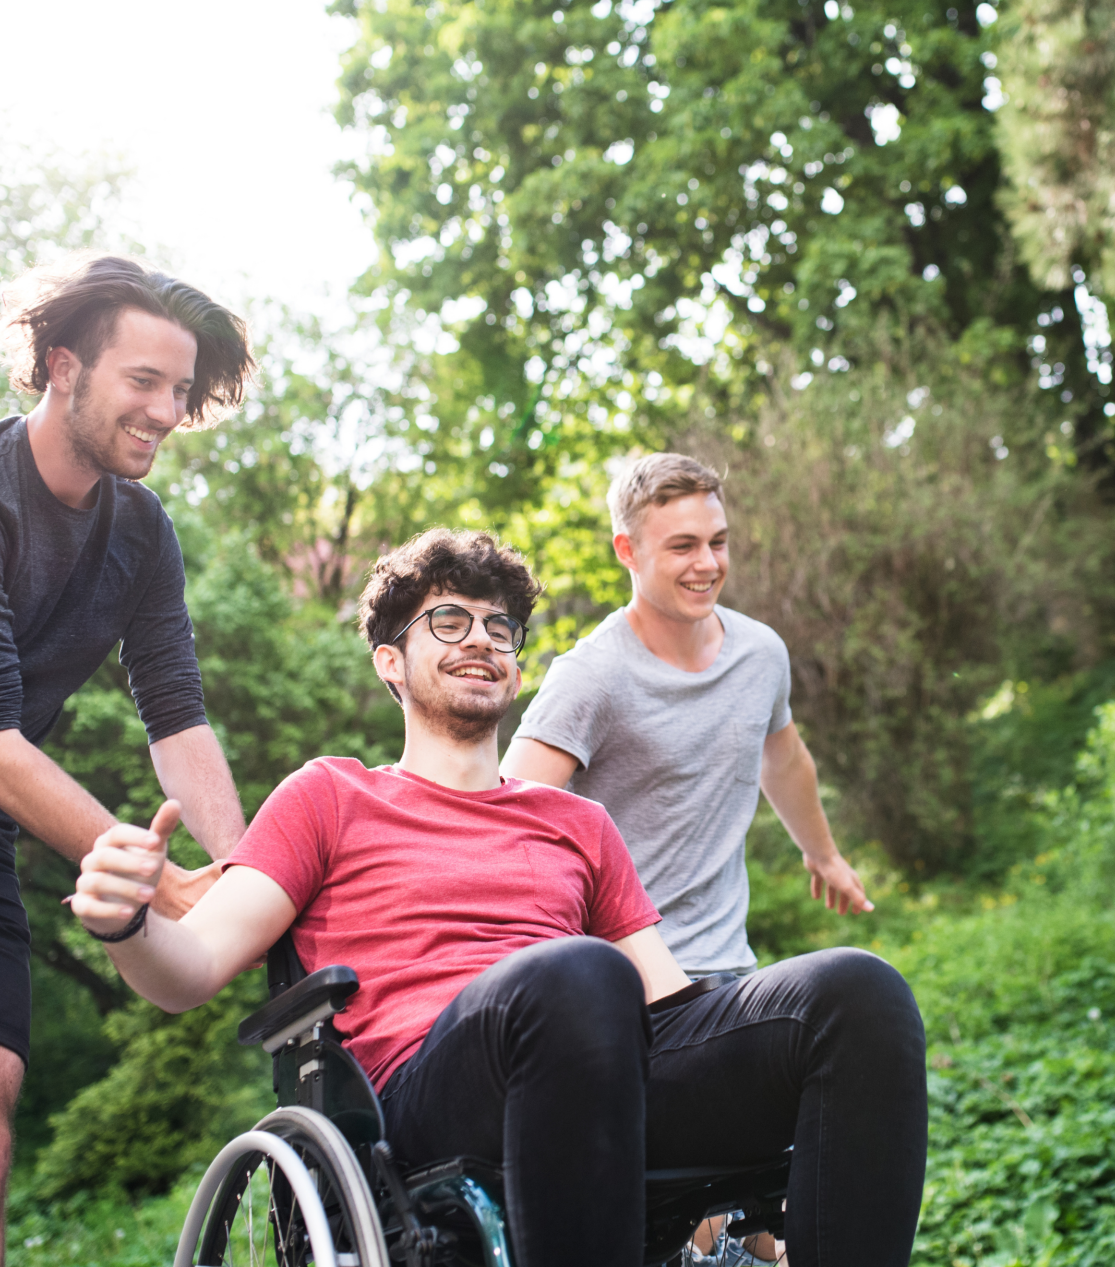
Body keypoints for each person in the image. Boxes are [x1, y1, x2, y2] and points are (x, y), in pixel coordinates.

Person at [68, 528, 928, 1267]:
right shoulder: (330, 795)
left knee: (857, 991)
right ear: (390, 661)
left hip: (597, 1065)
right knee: (577, 977)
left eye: (500, 626)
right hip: (423, 1100)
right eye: (448, 619)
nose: (481, 637)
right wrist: (127, 922)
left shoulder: (577, 822)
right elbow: (192, 966)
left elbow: (667, 1005)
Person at [0, 255, 254, 1260]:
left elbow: (178, 719)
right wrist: (143, 874)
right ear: (64, 368)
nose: (169, 409)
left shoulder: (142, 533)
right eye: (144, 382)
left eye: (182, 389)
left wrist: (246, 876)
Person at [502, 453, 868, 980]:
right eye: (683, 546)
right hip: (622, 982)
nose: (709, 563)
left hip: (729, 969)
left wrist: (825, 855)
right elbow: (507, 816)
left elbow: (784, 760)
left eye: (717, 542)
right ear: (627, 551)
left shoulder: (760, 653)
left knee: (858, 990)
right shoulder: (592, 674)